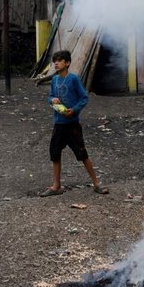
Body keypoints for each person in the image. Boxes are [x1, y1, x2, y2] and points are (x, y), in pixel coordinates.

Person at [41, 50, 108, 196]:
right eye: (55, 61)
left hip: (72, 124)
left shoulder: (73, 79)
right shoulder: (54, 80)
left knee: (82, 153)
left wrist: (75, 110)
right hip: (58, 123)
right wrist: (52, 100)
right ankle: (56, 186)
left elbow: (84, 97)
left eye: (59, 61)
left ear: (67, 63)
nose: (56, 63)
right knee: (55, 153)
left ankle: (96, 183)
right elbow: (50, 97)